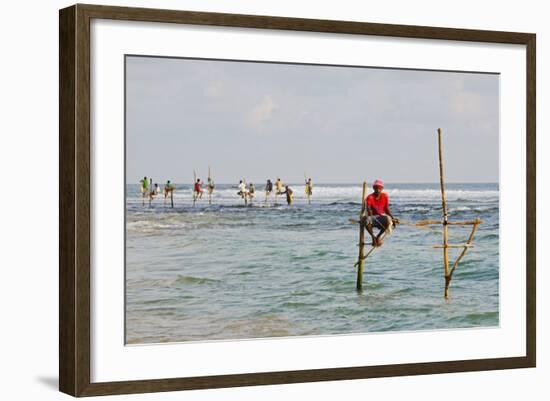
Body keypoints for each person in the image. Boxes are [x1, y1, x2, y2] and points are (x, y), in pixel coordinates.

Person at [364, 179, 399, 247]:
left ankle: (378, 236)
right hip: (372, 217)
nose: (377, 190)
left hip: (381, 217)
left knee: (388, 220)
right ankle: (373, 237)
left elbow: (386, 209)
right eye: (376, 188)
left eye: (379, 188)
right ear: (373, 188)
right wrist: (369, 212)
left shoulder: (385, 196)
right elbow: (368, 207)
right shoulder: (370, 197)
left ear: (382, 189)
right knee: (366, 220)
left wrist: (392, 218)